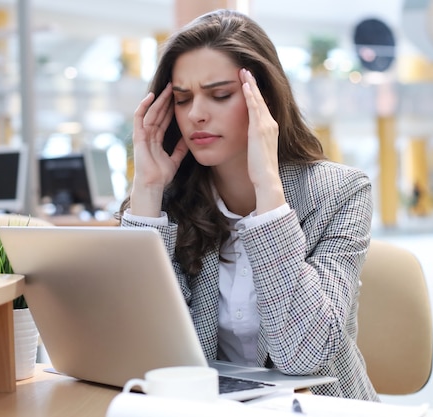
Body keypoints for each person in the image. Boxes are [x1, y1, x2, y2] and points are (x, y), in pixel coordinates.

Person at [118, 9, 377, 401]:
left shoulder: (340, 192)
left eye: (220, 94)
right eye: (183, 99)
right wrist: (149, 191)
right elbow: (140, 350)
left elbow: (302, 354)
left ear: (265, 99)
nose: (196, 114)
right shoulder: (169, 202)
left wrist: (268, 193)